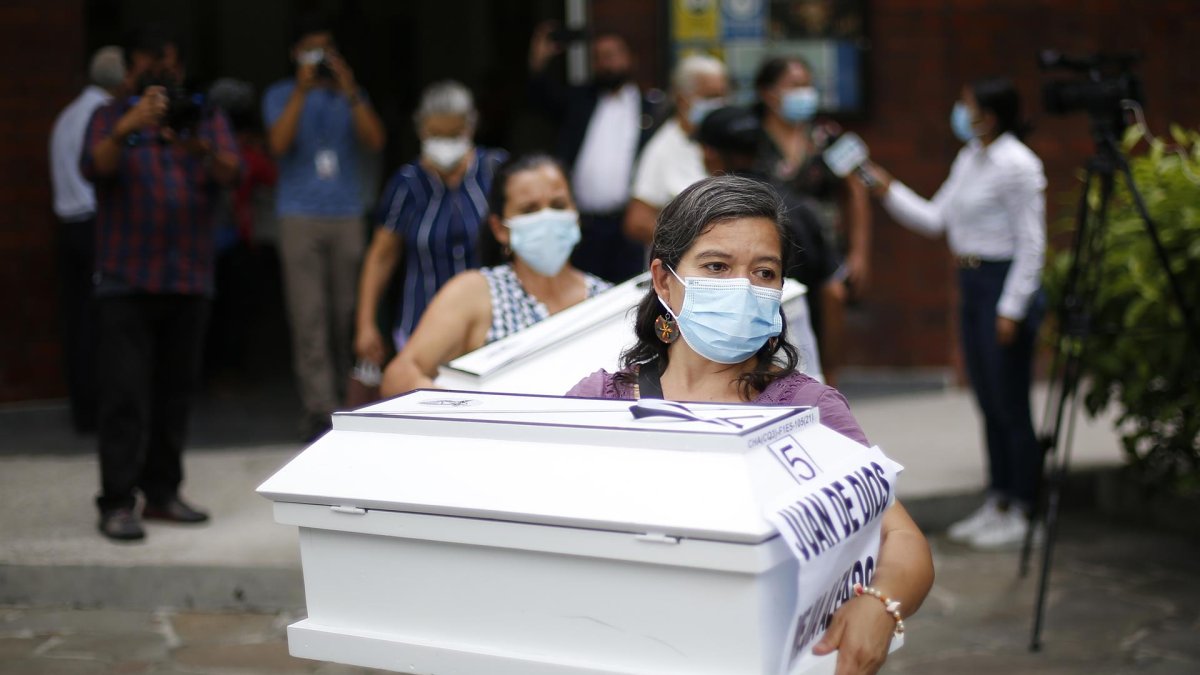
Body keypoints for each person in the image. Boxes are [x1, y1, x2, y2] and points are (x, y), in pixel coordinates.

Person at [567, 175, 933, 674]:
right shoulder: (598, 403)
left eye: (764, 272)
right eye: (716, 266)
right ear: (663, 279)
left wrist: (881, 603)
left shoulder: (807, 411)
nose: (743, 287)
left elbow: (902, 539)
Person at [862, 78, 1047, 551]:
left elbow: (1032, 244)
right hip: (970, 282)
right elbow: (935, 219)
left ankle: (1026, 506)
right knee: (987, 399)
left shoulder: (1018, 164)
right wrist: (883, 187)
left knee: (1010, 403)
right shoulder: (971, 157)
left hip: (1002, 283)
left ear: (990, 113)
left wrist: (1011, 308)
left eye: (967, 105)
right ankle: (999, 499)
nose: (960, 113)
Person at [80, 25, 240, 541]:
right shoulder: (108, 117)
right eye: (154, 64)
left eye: (172, 64)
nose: (165, 75)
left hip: (188, 278)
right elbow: (94, 167)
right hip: (126, 280)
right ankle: (118, 502)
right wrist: (132, 122)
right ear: (133, 71)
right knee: (124, 396)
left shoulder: (204, 117)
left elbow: (231, 174)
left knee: (175, 395)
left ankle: (164, 494)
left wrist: (195, 145)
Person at [380, 155, 611, 397]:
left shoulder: (608, 300)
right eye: (529, 209)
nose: (547, 217)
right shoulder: (476, 293)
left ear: (575, 214)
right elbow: (399, 376)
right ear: (500, 228)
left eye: (558, 205)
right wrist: (468, 408)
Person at [264, 12, 386, 440]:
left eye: (326, 50)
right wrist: (302, 87)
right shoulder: (281, 93)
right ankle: (318, 407)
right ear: (295, 53)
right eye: (312, 50)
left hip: (346, 212)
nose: (320, 59)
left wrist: (350, 89)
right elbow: (278, 144)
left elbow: (376, 140)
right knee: (308, 313)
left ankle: (350, 398)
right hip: (299, 215)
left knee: (349, 312)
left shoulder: (349, 96)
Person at [355, 81, 507, 373]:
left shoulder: (495, 170)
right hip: (421, 324)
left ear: (469, 128)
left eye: (454, 134)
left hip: (492, 325)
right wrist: (365, 324)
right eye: (437, 134)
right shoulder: (407, 183)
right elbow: (381, 256)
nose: (445, 142)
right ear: (422, 130)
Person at [694, 105, 836, 378]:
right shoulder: (800, 207)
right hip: (799, 356)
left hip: (722, 368)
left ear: (710, 153)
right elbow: (834, 292)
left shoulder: (704, 217)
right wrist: (829, 373)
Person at [754, 55, 871, 384]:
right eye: (794, 86)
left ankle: (827, 385)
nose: (804, 93)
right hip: (773, 247)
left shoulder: (826, 135)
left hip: (823, 248)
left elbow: (857, 189)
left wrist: (859, 253)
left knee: (831, 304)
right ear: (768, 93)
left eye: (807, 85)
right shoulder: (753, 137)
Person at [528, 22, 661, 282]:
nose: (606, 64)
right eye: (598, 58)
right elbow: (538, 99)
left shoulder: (651, 107)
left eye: (612, 55)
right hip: (584, 225)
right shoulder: (581, 101)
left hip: (627, 225)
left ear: (629, 58)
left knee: (629, 296)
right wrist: (539, 60)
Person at [48, 45, 126, 434]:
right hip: (95, 225)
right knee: (103, 324)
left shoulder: (66, 116)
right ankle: (100, 411)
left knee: (77, 323)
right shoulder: (101, 117)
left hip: (68, 227)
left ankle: (84, 411)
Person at [623, 54, 728, 245]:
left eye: (722, 96)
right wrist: (694, 243)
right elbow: (637, 221)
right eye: (710, 96)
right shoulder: (663, 148)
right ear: (682, 99)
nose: (718, 104)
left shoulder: (724, 140)